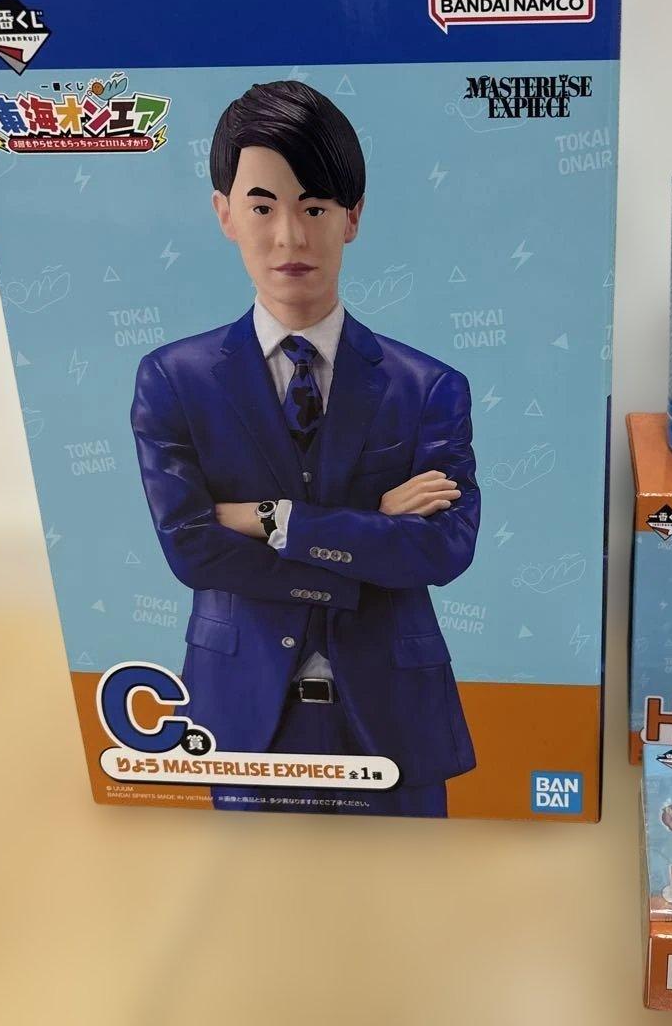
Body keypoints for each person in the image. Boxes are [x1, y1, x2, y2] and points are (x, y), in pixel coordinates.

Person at [130, 80, 479, 817]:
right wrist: (372, 530)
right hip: (241, 712)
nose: (289, 236)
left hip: (393, 719)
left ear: (352, 218)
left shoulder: (429, 386)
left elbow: (443, 549)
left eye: (314, 207)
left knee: (418, 882)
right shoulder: (173, 378)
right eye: (262, 206)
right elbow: (191, 549)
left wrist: (276, 520)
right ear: (224, 213)